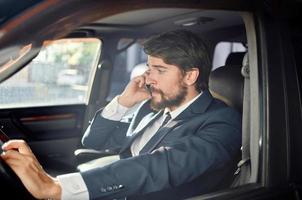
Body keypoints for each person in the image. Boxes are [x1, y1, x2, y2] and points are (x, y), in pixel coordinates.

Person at [0, 30, 241, 200]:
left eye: (160, 70)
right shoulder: (152, 109)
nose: (148, 78)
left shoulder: (222, 122)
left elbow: (161, 165)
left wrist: (56, 188)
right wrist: (124, 102)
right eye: (148, 68)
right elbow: (93, 141)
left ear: (190, 76)